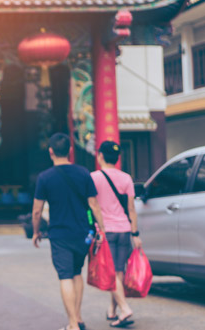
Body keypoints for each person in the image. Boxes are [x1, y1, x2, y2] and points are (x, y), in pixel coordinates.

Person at [32, 133, 106, 330]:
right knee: (76, 273)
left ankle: (72, 324)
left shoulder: (44, 178)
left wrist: (36, 231)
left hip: (59, 234)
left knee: (65, 276)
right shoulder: (83, 173)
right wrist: (102, 229)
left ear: (51, 152)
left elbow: (37, 210)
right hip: (83, 233)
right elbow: (94, 205)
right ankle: (78, 318)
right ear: (70, 151)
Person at [91, 141, 142, 328]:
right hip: (125, 230)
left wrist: (100, 229)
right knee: (118, 272)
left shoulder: (93, 178)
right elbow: (131, 209)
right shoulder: (126, 178)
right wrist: (135, 233)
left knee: (111, 274)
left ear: (100, 156)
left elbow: (92, 206)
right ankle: (112, 311)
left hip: (107, 232)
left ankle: (124, 308)